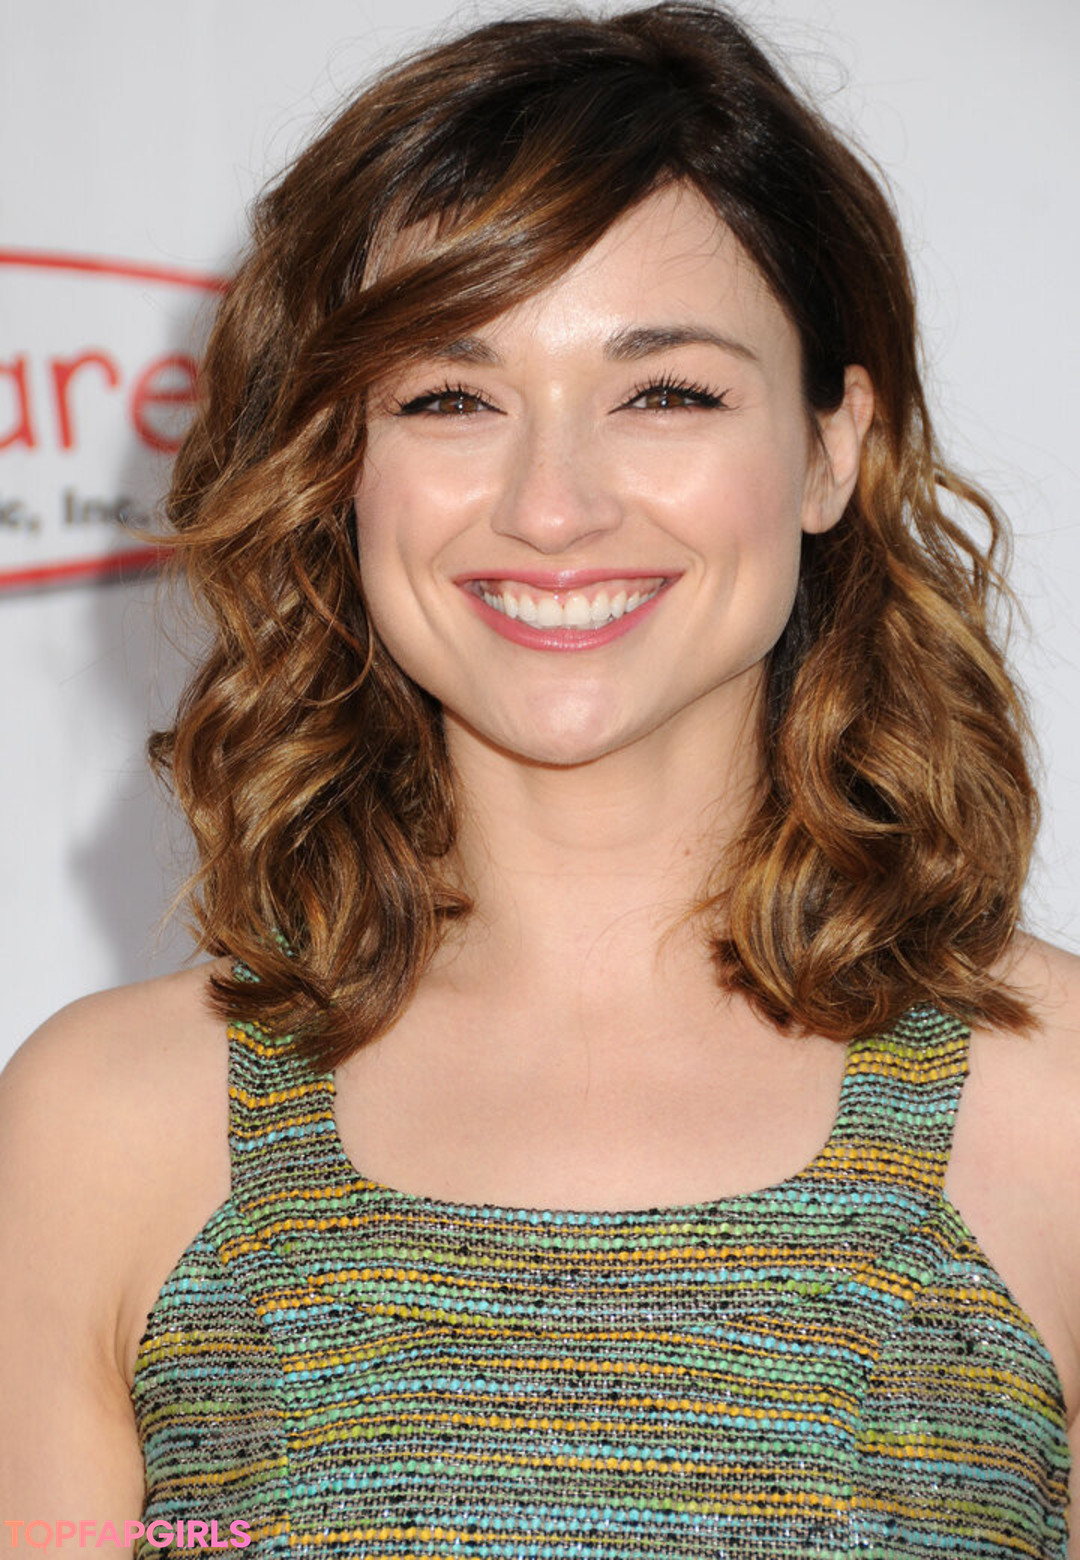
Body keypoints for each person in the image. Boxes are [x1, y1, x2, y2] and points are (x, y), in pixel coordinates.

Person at [2, 2, 1078, 1554]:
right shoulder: (102, 1130)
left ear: (835, 445)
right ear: (337, 465)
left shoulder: (1058, 1115)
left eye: (666, 392)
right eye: (450, 398)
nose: (552, 506)